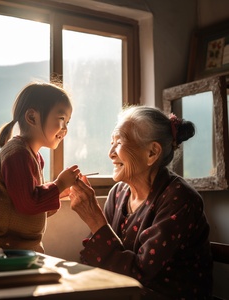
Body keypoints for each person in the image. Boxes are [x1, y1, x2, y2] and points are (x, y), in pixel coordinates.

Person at [69, 105, 213, 299]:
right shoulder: (118, 193)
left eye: (119, 142)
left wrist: (94, 219)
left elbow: (139, 275)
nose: (110, 153)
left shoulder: (179, 199)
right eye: (111, 142)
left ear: (152, 153)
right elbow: (92, 259)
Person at [0, 82, 80, 253]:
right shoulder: (17, 155)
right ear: (32, 117)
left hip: (6, 248)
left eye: (68, 122)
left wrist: (59, 193)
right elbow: (28, 205)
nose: (65, 129)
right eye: (61, 120)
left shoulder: (32, 156)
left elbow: (23, 211)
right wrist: (59, 184)